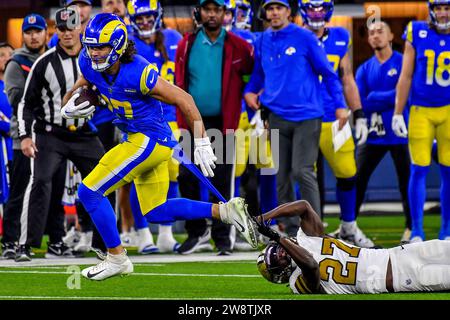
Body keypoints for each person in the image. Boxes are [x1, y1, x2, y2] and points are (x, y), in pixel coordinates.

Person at [61, 12, 257, 280]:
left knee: (89, 191)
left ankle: (116, 257)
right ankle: (224, 211)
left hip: (148, 139)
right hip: (143, 139)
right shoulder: (87, 60)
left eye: (101, 47)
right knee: (156, 210)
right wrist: (72, 103)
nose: (94, 53)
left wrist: (200, 140)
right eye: (91, 46)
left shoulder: (139, 72)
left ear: (117, 45)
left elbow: (184, 99)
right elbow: (83, 85)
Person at [244, 0, 348, 231]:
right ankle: (291, 231)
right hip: (277, 115)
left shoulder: (304, 37)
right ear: (265, 13)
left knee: (303, 171)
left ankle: (314, 229)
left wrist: (340, 105)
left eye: (279, 8)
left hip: (307, 115)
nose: (274, 13)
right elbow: (259, 75)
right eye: (270, 9)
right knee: (281, 175)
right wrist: (249, 91)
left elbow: (329, 73)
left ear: (288, 12)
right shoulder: (262, 40)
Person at [16, 7, 105, 261]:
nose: (67, 34)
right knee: (40, 182)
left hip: (85, 133)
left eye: (72, 28)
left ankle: (105, 243)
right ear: (56, 31)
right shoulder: (43, 63)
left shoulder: (95, 58)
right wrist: (25, 136)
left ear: (81, 28)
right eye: (62, 29)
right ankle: (25, 244)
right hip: (50, 134)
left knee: (105, 180)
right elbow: (26, 103)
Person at [175, 0, 254, 255]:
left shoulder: (239, 46)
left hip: (224, 123)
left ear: (225, 13)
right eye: (207, 9)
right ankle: (197, 232)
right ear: (199, 12)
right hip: (192, 122)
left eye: (217, 9)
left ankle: (222, 238)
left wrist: (254, 102)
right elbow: (178, 83)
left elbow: (253, 76)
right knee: (187, 176)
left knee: (220, 182)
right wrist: (181, 121)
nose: (212, 14)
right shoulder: (186, 43)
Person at [255, 200, 450, 294]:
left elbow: (304, 206)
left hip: (401, 254)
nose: (281, 253)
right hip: (402, 278)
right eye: (278, 258)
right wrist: (277, 237)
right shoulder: (297, 283)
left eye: (277, 250)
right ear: (281, 272)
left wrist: (264, 218)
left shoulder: (306, 237)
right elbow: (311, 265)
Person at [298, 0, 371, 247]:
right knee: (302, 176)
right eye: (311, 8)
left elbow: (347, 77)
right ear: (302, 10)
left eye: (320, 8)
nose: (316, 13)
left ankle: (349, 226)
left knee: (348, 173)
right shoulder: (293, 36)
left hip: (333, 117)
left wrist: (358, 112)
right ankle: (305, 230)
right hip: (302, 117)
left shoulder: (340, 36)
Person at [1, 14, 70, 261]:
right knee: (21, 190)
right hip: (25, 136)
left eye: (37, 31)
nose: (33, 35)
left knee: (54, 190)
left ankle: (56, 240)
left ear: (45, 33)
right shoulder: (16, 62)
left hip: (53, 135)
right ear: (23, 35)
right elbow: (17, 99)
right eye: (28, 31)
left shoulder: (55, 58)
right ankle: (10, 240)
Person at [126, 0, 183, 254]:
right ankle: (143, 233)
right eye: (140, 18)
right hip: (140, 119)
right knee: (141, 175)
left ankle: (165, 234)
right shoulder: (128, 45)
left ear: (158, 16)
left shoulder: (173, 38)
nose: (145, 22)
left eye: (149, 17)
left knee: (171, 176)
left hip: (171, 118)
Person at [392, 0, 450, 242]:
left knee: (448, 171)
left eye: (447, 8)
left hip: (448, 111)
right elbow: (405, 76)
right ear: (431, 10)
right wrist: (397, 112)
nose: (443, 12)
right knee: (419, 169)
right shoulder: (417, 30)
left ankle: (447, 229)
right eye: (439, 8)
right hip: (420, 110)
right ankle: (417, 230)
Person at [355, 21, 411, 243]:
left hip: (401, 132)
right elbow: (361, 102)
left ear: (391, 36)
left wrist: (376, 96)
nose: (376, 36)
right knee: (356, 179)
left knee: (407, 181)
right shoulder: (364, 69)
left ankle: (412, 227)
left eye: (380, 32)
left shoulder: (403, 63)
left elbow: (405, 93)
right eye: (371, 33)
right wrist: (391, 95)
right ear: (368, 39)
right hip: (373, 134)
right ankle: (349, 225)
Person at [0, 43, 13, 212]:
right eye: (2, 55)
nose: (7, 58)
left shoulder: (21, 83)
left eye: (10, 54)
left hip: (20, 144)